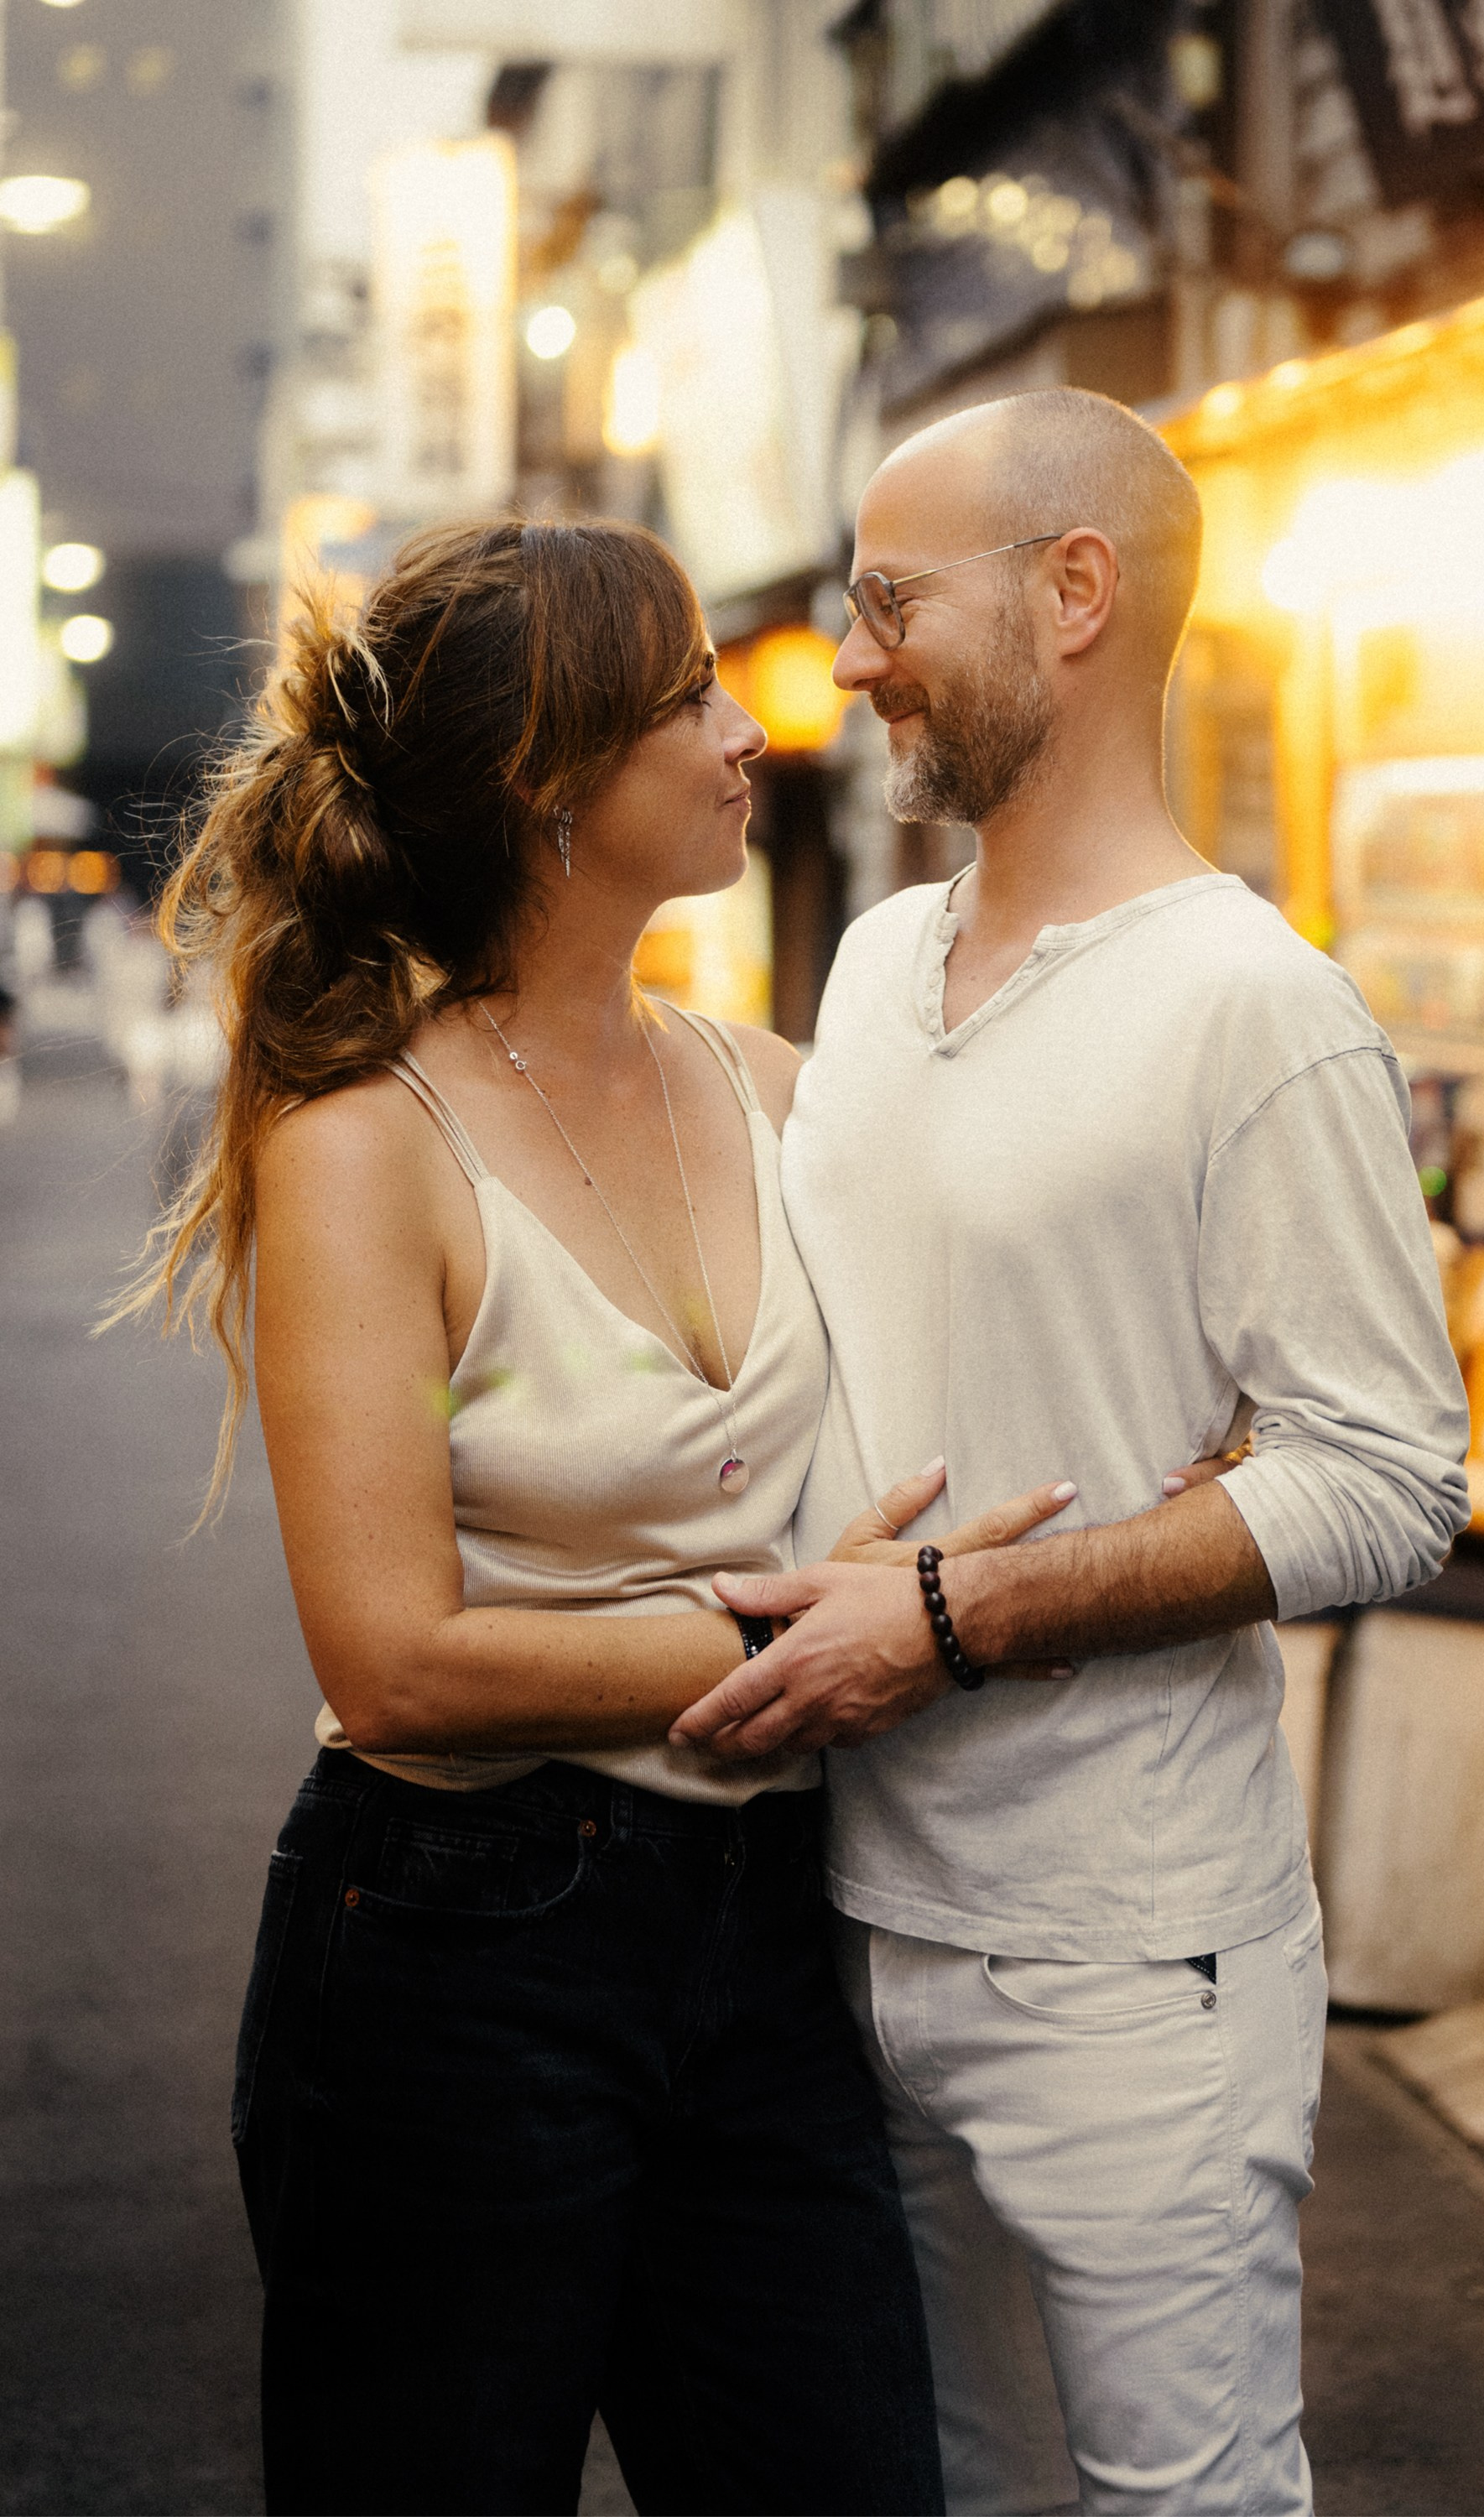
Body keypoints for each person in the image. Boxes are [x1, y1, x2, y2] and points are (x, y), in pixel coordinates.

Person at [117, 517, 1082, 2517]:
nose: (752, 731)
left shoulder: (771, 1083)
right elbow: (389, 1662)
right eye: (690, 700)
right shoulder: (368, 1142)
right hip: (458, 1943)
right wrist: (812, 1641)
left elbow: (1037, 1256)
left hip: (770, 1932)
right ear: (550, 782)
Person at [674, 390, 1473, 2516]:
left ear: (1077, 593)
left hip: (1129, 1944)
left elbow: (1389, 1472)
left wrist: (964, 1612)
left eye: (888, 602)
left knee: (1182, 2499)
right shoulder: (873, 963)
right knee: (960, 2487)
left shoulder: (1256, 1007)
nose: (848, 661)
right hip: (846, 1913)